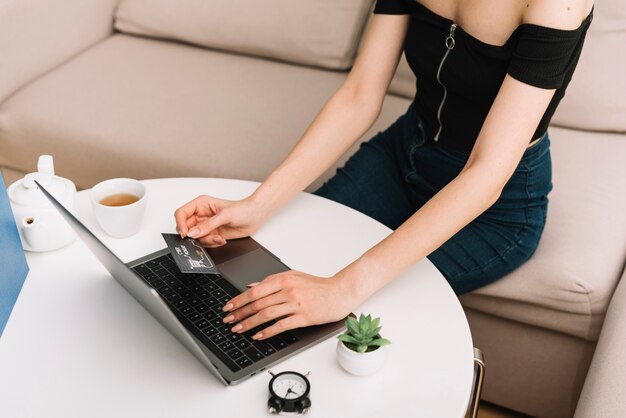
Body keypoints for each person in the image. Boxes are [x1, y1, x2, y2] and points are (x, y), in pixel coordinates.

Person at [175, 0, 594, 341]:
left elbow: (486, 174)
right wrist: (259, 204)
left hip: (494, 210)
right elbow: (360, 94)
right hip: (402, 153)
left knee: (336, 317)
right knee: (269, 263)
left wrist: (343, 289)